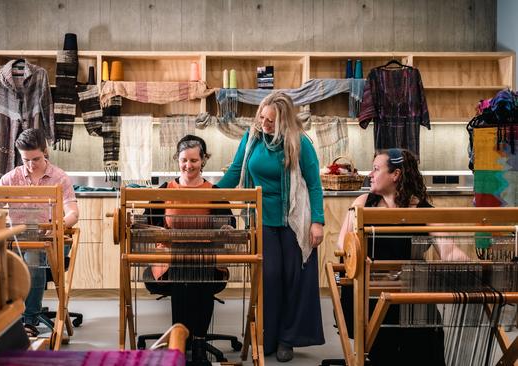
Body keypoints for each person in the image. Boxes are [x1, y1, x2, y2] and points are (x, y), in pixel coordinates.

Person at [216, 92, 325, 362]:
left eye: (270, 121)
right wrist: (209, 195)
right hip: (261, 218)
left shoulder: (299, 143)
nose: (264, 123)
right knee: (270, 276)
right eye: (262, 117)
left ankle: (287, 339)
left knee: (293, 277)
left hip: (294, 218)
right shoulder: (252, 138)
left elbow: (313, 183)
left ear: (284, 122)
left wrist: (318, 222)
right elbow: (234, 172)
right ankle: (268, 337)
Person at [337, 148, 467, 365]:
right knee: (389, 325)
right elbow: (344, 244)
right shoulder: (362, 204)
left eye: (376, 169)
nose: (370, 174)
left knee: (429, 324)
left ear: (395, 175)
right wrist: (361, 258)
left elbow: (449, 250)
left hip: (410, 293)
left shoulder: (423, 211)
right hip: (370, 293)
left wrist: (474, 266)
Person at [143, 135, 233, 365]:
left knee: (196, 270)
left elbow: (230, 226)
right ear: (177, 160)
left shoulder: (214, 193)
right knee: (185, 269)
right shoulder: (165, 191)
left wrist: (223, 229)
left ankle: (194, 344)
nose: (188, 165)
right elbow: (145, 224)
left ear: (203, 160)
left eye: (194, 160)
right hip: (171, 262)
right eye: (184, 160)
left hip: (204, 261)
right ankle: (186, 343)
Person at [0, 128, 79, 336]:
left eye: (36, 159)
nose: (31, 165)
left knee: (32, 256)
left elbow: (73, 213)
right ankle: (4, 318)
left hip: (50, 239)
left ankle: (29, 319)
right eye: (26, 160)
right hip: (18, 238)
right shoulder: (10, 179)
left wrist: (55, 227)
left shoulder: (60, 178)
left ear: (45, 151)